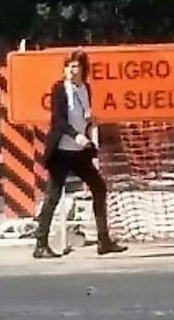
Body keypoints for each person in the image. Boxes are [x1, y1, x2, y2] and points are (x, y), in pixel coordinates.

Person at [34, 50, 127, 259]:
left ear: (83, 69)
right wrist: (77, 136)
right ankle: (40, 243)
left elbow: (83, 116)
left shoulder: (86, 89)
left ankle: (104, 240)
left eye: (75, 66)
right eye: (68, 66)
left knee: (99, 188)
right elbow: (58, 121)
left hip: (79, 152)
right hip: (61, 150)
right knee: (53, 196)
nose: (71, 71)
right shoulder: (59, 89)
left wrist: (89, 121)